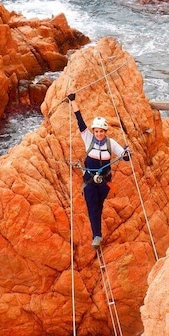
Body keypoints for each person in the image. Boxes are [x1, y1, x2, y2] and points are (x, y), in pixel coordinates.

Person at [67, 93, 129, 249]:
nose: (99, 134)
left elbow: (124, 156)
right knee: (92, 206)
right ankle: (97, 236)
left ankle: (97, 231)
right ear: (93, 131)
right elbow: (80, 121)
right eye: (97, 131)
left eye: (102, 131)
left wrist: (127, 154)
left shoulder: (111, 143)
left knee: (98, 207)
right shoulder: (88, 139)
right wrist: (73, 101)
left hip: (104, 182)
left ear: (105, 131)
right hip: (89, 181)